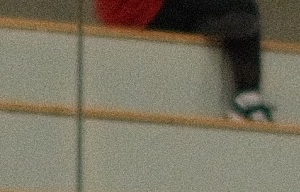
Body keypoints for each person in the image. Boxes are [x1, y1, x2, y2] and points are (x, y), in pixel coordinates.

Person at [97, 0, 273, 120]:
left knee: (233, 14)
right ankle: (248, 96)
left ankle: (248, 96)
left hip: (129, 13)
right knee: (244, 8)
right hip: (147, 9)